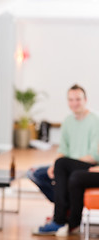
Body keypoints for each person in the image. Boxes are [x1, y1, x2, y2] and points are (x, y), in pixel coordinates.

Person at [32, 84, 99, 236]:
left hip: (88, 164)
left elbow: (94, 156)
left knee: (63, 166)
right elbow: (63, 150)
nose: (74, 103)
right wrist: (55, 165)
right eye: (71, 100)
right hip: (69, 165)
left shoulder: (95, 120)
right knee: (38, 173)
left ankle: (59, 219)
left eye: (78, 99)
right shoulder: (68, 121)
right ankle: (65, 213)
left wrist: (63, 165)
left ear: (85, 100)